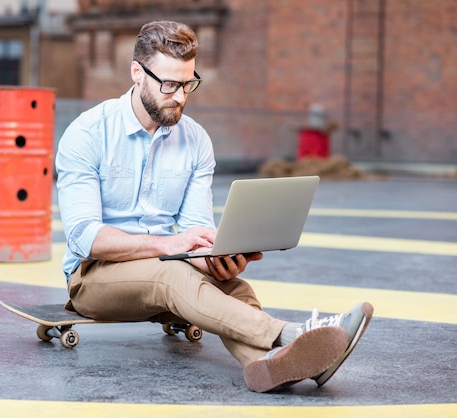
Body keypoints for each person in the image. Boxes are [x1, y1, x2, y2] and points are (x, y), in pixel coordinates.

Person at [55, 20, 373, 393]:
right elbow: (84, 237)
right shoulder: (88, 133)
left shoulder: (196, 141)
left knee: (234, 288)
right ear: (137, 73)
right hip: (95, 278)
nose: (180, 96)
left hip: (168, 273)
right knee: (169, 275)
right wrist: (168, 245)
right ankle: (296, 334)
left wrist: (215, 258)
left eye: (188, 84)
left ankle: (267, 367)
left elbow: (195, 230)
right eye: (169, 84)